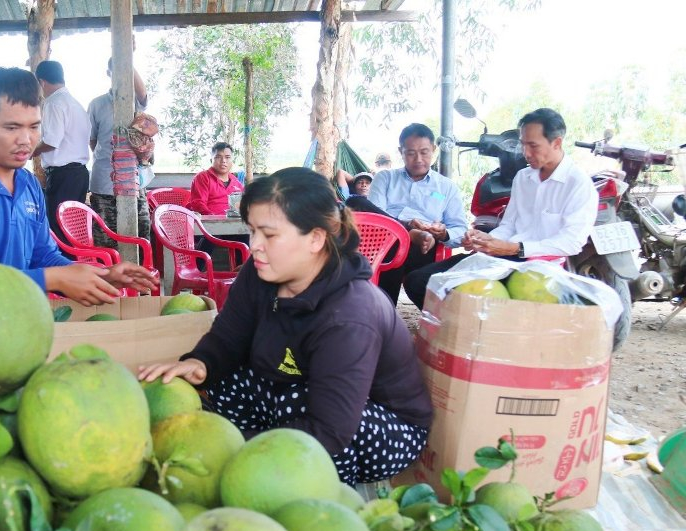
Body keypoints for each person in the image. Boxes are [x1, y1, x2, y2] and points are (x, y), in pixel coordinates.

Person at [138, 167, 432, 486]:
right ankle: (252, 456)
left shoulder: (350, 314)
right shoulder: (262, 271)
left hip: (377, 428)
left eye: (269, 235)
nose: (255, 246)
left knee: (300, 404)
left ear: (316, 238)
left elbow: (330, 430)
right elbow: (229, 335)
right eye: (252, 232)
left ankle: (312, 493)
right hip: (295, 390)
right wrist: (201, 363)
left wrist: (228, 447)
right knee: (226, 379)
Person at [0, 67, 156, 315]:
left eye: (34, 127)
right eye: (12, 128)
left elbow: (43, 255)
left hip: (3, 322)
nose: (26, 139)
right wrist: (54, 279)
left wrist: (101, 275)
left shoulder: (28, 184)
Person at [403, 108, 597, 309]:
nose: (526, 153)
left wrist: (514, 248)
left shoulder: (578, 183)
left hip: (541, 268)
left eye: (533, 146)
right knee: (418, 281)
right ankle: (455, 333)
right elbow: (509, 226)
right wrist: (486, 239)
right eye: (523, 145)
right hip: (503, 259)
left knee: (479, 301)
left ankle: (472, 332)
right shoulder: (523, 177)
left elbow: (571, 243)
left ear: (557, 143)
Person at [367, 123, 467, 304]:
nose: (418, 159)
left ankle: (384, 314)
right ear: (401, 151)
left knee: (404, 246)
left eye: (424, 152)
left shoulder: (446, 187)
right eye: (411, 153)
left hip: (423, 248)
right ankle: (407, 232)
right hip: (384, 243)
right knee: (356, 204)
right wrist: (406, 229)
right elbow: (377, 221)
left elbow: (460, 229)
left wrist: (443, 233)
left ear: (434, 149)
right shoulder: (385, 179)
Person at [87, 58, 151, 248]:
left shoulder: (135, 103)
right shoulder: (97, 104)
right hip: (104, 182)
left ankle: (137, 277)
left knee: (141, 234)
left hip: (134, 182)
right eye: (117, 71)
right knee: (106, 240)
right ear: (109, 74)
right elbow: (92, 140)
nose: (122, 76)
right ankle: (108, 278)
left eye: (126, 72)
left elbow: (143, 93)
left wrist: (128, 58)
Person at [32, 60, 91, 239]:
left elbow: (51, 141)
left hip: (63, 176)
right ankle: (74, 265)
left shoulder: (53, 103)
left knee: (59, 232)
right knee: (73, 232)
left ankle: (64, 266)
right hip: (79, 174)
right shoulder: (75, 104)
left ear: (41, 82)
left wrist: (30, 151)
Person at [186, 142, 245, 215]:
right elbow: (198, 204)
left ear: (232, 161)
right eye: (218, 157)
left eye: (227, 157)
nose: (223, 161)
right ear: (211, 160)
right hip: (208, 223)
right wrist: (215, 220)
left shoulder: (236, 181)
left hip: (233, 222)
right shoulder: (203, 177)